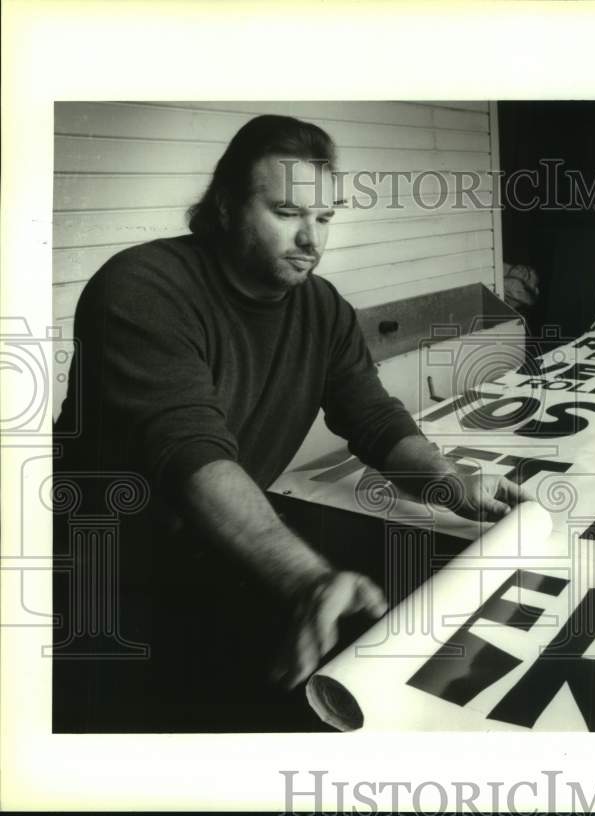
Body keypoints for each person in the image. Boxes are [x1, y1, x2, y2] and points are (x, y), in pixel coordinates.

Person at [51, 114, 527, 731]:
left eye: (324, 218)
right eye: (285, 211)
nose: (311, 238)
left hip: (222, 550)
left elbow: (374, 419)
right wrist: (306, 577)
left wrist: (450, 479)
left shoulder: (322, 307)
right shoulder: (141, 288)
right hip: (98, 573)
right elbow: (189, 451)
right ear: (224, 206)